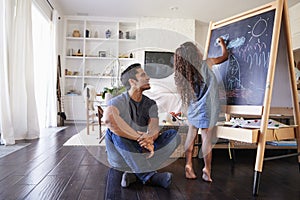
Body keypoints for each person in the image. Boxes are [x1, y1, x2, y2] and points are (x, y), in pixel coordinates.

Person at [104, 63, 181, 189]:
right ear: (132, 81)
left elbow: (154, 128)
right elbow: (109, 120)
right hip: (121, 155)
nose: (148, 78)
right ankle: (149, 176)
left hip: (143, 151)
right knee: (116, 131)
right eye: (143, 75)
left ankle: (135, 174)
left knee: (174, 136)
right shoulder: (119, 101)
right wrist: (139, 138)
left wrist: (150, 138)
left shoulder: (150, 104)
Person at [173, 38, 228, 182]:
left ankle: (188, 165)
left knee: (191, 136)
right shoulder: (206, 63)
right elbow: (224, 57)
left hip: (193, 108)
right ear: (194, 53)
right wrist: (223, 45)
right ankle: (207, 169)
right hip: (207, 108)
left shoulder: (185, 73)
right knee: (206, 139)